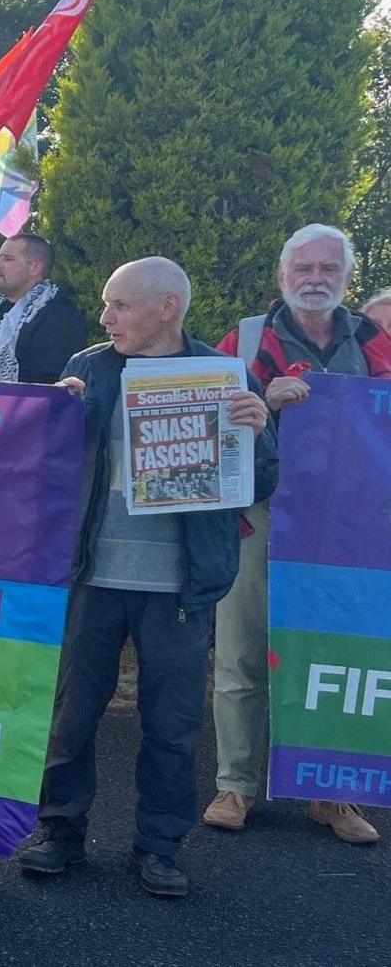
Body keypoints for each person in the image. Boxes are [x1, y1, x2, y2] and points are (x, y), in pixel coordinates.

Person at [14, 257, 275, 898]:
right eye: (106, 305)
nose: (106, 318)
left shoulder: (224, 374)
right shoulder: (88, 367)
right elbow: (43, 468)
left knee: (172, 725)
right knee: (72, 716)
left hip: (180, 585)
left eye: (120, 306)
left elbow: (261, 481)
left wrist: (259, 431)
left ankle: (159, 848)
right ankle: (59, 832)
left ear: (167, 308)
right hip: (95, 576)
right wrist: (54, 418)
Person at [204, 224, 390, 844]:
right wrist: (262, 397)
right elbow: (207, 424)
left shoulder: (376, 343)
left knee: (338, 656)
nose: (315, 278)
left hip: (347, 530)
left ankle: (332, 792)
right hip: (260, 515)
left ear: (346, 277)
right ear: (283, 275)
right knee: (241, 653)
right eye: (303, 268)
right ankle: (236, 783)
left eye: (328, 269)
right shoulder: (248, 338)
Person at [0, 180, 87, 384]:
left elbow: (50, 387)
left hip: (15, 414)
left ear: (35, 268)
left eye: (8, 259)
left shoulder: (57, 315)